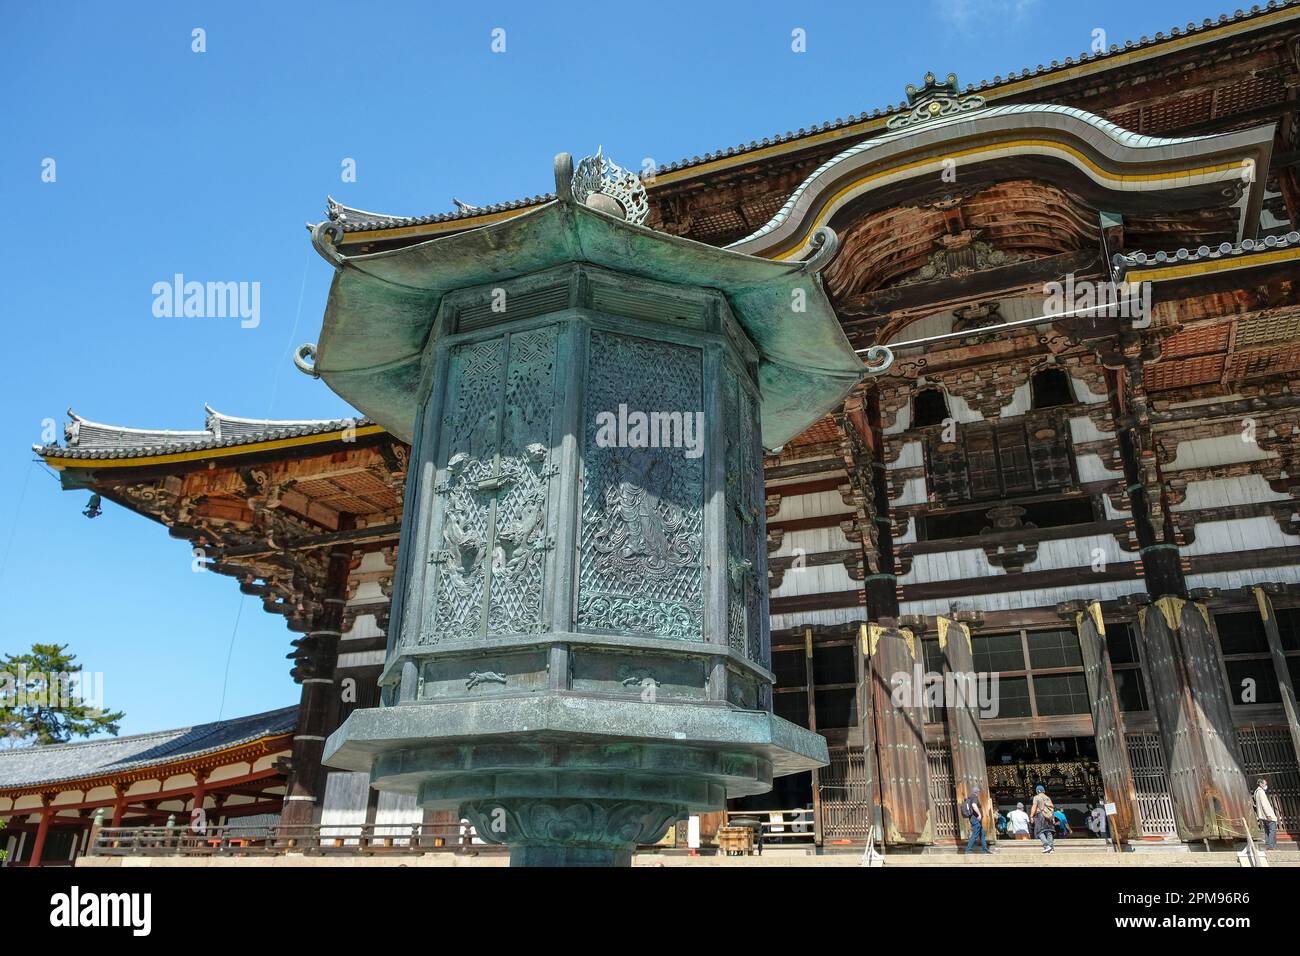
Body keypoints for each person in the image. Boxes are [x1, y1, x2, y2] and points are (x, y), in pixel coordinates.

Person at [962, 786, 991, 854]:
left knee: (982, 834)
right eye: (978, 792)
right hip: (975, 818)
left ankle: (985, 849)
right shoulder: (974, 797)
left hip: (973, 818)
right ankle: (968, 849)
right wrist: (979, 814)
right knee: (975, 833)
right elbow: (974, 805)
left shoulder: (970, 797)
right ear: (977, 792)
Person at [1254, 777, 1279, 851]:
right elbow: (1264, 804)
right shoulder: (1261, 792)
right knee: (1272, 830)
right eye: (1265, 784)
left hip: (1262, 815)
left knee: (1267, 830)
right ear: (1261, 784)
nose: (1266, 785)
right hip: (1267, 815)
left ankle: (1268, 844)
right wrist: (1268, 814)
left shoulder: (1256, 792)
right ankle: (1271, 846)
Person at [1031, 784, 1056, 854]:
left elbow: (1034, 807)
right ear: (1043, 791)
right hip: (1049, 816)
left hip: (1040, 816)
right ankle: (1051, 848)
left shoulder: (1036, 797)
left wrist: (1031, 816)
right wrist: (1053, 818)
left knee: (1040, 832)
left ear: (1037, 791)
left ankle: (1046, 846)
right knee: (1048, 831)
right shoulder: (1048, 798)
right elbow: (1051, 809)